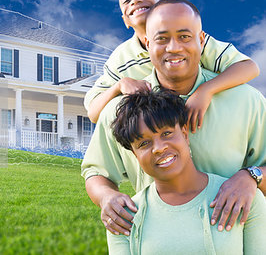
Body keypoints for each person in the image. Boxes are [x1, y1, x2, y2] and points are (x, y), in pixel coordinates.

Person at [81, 0, 266, 237]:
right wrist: (107, 197)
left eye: (184, 36)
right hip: (157, 242)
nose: (173, 47)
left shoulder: (246, 100)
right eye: (162, 38)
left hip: (231, 242)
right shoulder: (121, 110)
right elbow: (96, 172)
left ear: (201, 40)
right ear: (147, 44)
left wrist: (251, 177)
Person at [84, 0, 259, 135]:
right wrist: (119, 86)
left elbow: (249, 67)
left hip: (206, 124)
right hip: (159, 132)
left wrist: (206, 90)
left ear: (163, 4)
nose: (136, 0)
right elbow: (93, 112)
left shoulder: (192, 41)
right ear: (125, 20)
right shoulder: (121, 59)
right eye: (127, 0)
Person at [107, 90, 266, 254]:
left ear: (184, 134)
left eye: (166, 133)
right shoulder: (123, 216)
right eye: (144, 143)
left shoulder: (244, 198)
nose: (159, 148)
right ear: (135, 155)